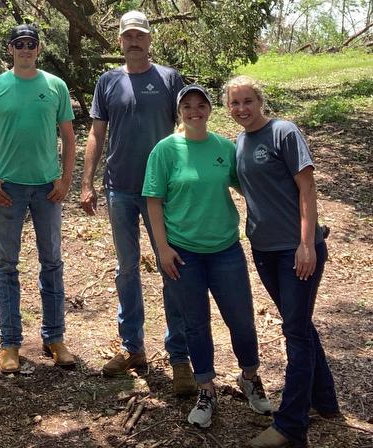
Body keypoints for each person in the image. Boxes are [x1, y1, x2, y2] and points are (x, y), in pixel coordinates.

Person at [143, 84, 272, 429]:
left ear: (210, 110)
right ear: (179, 111)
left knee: (241, 319)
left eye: (201, 105)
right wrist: (163, 248)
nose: (195, 111)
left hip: (225, 249)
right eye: (188, 106)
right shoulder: (165, 151)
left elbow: (250, 186)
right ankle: (206, 389)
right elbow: (153, 201)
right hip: (183, 254)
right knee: (195, 325)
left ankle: (250, 377)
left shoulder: (225, 148)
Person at [80, 10, 194, 394]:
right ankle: (133, 348)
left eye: (139, 35)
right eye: (127, 35)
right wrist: (87, 182)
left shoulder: (169, 79)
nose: (133, 41)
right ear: (119, 41)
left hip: (163, 192)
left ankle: (179, 357)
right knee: (126, 269)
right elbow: (97, 133)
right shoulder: (107, 81)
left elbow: (186, 127)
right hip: (120, 189)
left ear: (149, 39)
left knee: (171, 267)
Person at [224, 76, 339, 448]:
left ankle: (290, 426)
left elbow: (307, 188)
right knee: (299, 324)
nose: (241, 109)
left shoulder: (284, 133)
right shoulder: (240, 142)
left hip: (296, 250)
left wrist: (307, 243)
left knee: (295, 333)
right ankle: (325, 401)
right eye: (234, 103)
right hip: (263, 250)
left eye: (247, 101)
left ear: (260, 101)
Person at [0, 24, 76, 374]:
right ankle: (10, 343)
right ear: (10, 49)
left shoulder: (55, 86)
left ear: (38, 48)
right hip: (9, 190)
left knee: (52, 262)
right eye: (19, 44)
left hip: (47, 189)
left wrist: (66, 180)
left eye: (30, 44)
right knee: (7, 266)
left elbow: (68, 136)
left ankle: (55, 337)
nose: (25, 49)